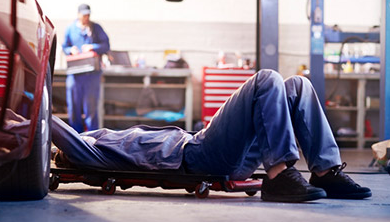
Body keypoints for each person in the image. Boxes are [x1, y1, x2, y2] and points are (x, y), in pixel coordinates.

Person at [52, 69, 372, 202]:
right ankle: (278, 175)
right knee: (266, 79)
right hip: (197, 155)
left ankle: (326, 172)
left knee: (297, 85)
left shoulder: (99, 135)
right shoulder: (88, 150)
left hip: (208, 145)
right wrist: (31, 106)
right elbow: (60, 133)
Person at [62, 4, 110, 133]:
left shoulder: (96, 28)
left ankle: (92, 136)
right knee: (73, 107)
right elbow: (64, 47)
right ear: (78, 14)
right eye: (84, 15)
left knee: (91, 108)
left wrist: (92, 47)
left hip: (92, 75)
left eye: (88, 15)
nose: (86, 17)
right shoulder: (70, 29)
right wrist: (70, 50)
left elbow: (106, 45)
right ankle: (75, 136)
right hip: (75, 75)